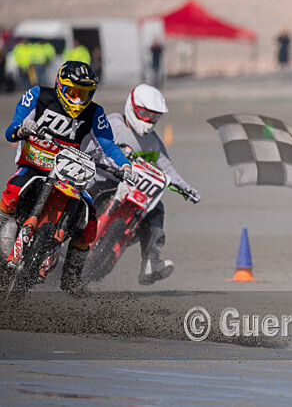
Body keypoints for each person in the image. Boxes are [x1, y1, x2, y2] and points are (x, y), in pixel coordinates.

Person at [0, 61, 133, 295]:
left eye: (85, 94)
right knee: (12, 193)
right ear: (61, 86)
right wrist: (23, 128)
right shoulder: (38, 95)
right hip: (35, 165)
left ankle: (71, 278)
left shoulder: (95, 113)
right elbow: (10, 130)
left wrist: (125, 166)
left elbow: (108, 145)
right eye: (74, 93)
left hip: (70, 173)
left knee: (89, 219)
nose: (80, 100)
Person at [86, 84, 201, 285]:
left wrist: (186, 188)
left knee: (156, 209)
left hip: (134, 192)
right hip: (104, 181)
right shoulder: (113, 124)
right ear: (132, 106)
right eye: (144, 113)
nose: (148, 121)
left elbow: (167, 167)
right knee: (84, 200)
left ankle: (151, 261)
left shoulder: (153, 142)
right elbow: (89, 146)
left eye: (154, 116)